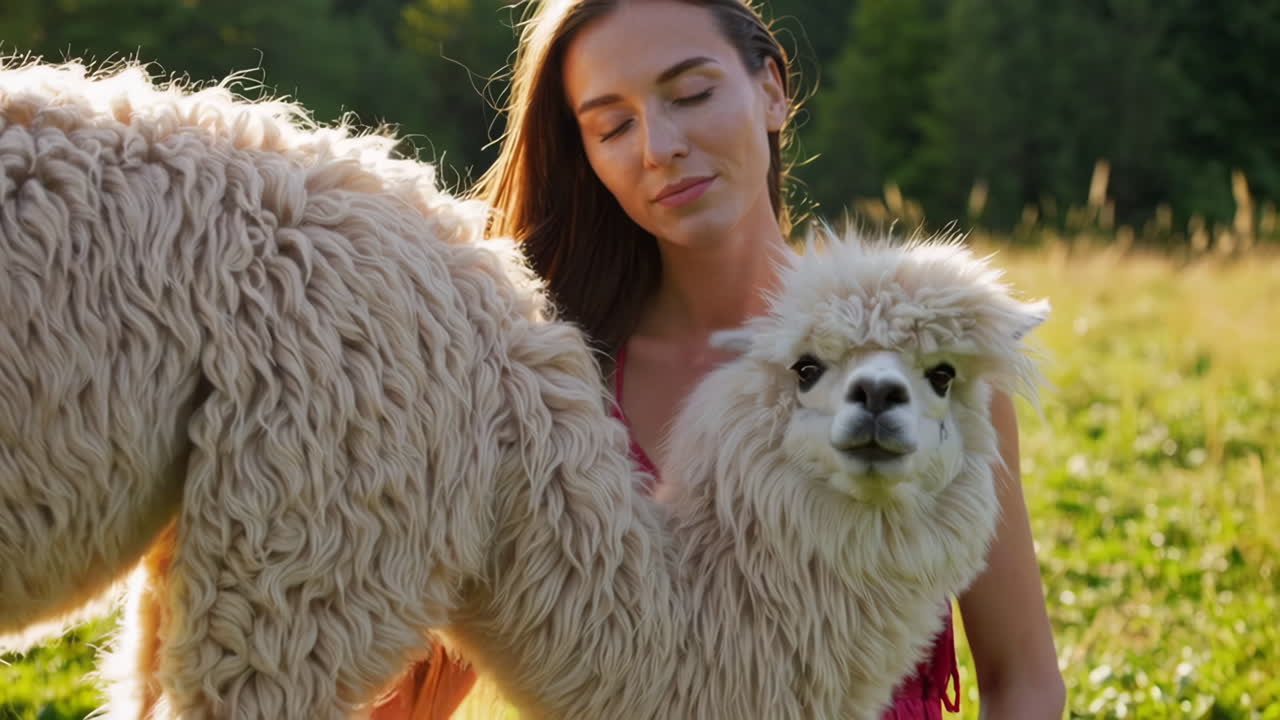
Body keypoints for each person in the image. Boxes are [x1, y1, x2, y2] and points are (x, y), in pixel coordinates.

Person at [376, 1, 1067, 718]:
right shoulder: (543, 394)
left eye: (691, 94)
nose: (659, 146)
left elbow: (1024, 680)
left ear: (772, 89)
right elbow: (415, 685)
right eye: (613, 126)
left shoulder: (929, 371)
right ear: (585, 154)